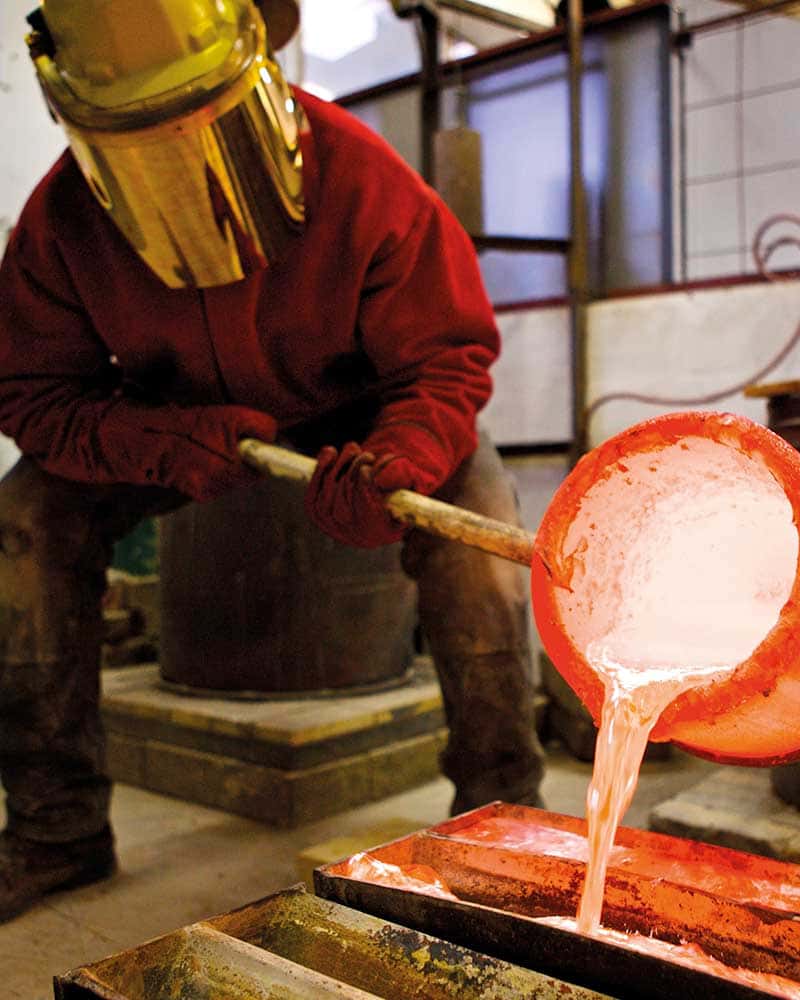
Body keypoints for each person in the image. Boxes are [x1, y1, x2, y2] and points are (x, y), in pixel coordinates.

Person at [0, 0, 544, 922]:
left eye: (197, 125)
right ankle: (58, 829)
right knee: (24, 520)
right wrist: (163, 443)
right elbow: (34, 393)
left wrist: (403, 457)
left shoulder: (361, 176)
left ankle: (502, 820)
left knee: (478, 539)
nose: (179, 160)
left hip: (364, 416)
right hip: (180, 420)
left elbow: (445, 358)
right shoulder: (62, 223)